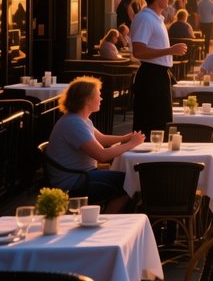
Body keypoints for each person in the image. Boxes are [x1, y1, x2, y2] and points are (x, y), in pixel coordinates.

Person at [46, 76, 144, 213]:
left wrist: (125, 138)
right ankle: (109, 220)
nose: (101, 99)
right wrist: (132, 144)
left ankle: (109, 215)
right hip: (74, 181)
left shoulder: (81, 119)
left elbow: (102, 139)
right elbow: (101, 155)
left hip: (82, 175)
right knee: (129, 183)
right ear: (87, 99)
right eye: (98, 95)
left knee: (128, 180)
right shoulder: (74, 123)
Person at [130, 0, 187, 135]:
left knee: (161, 121)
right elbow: (138, 51)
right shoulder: (146, 18)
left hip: (158, 75)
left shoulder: (154, 18)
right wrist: (170, 50)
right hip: (151, 76)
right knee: (151, 122)